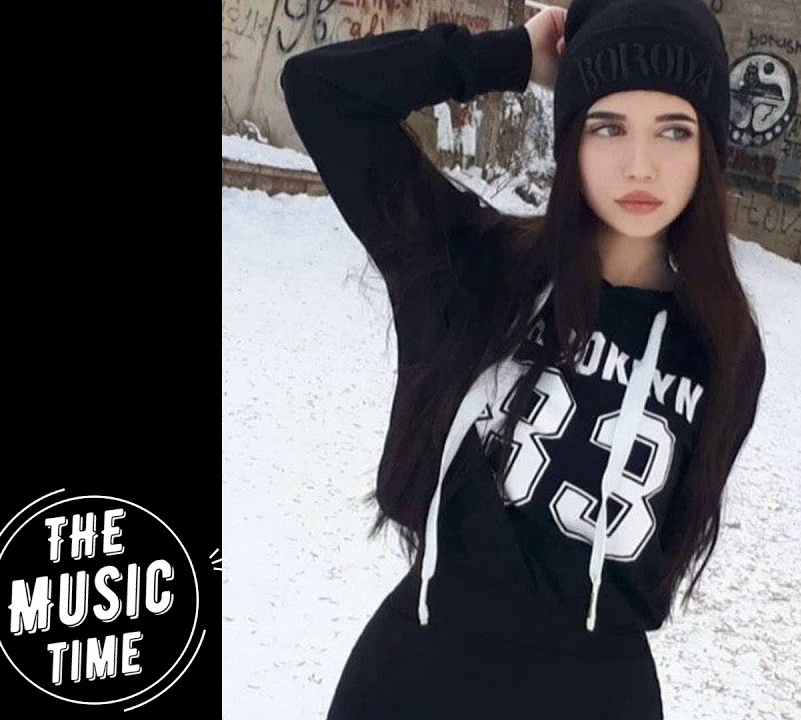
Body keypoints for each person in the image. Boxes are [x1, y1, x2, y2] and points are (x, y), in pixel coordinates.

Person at [280, 1, 765, 717]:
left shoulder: (724, 347)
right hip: (417, 678)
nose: (640, 164)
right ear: (572, 137)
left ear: (708, 149)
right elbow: (322, 91)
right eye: (607, 126)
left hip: (596, 696)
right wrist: (507, 57)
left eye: (674, 130)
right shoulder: (474, 268)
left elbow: (671, 544)